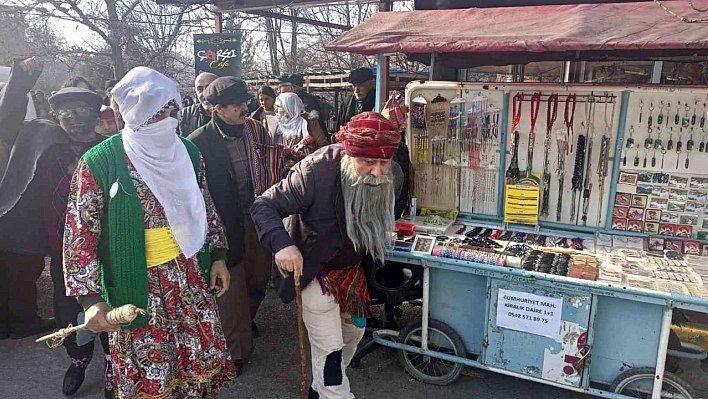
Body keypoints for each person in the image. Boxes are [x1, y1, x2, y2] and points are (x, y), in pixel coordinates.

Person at [63, 66, 235, 399]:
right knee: (153, 376)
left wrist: (217, 256)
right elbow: (79, 234)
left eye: (174, 112)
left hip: (190, 280)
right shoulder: (101, 162)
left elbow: (204, 207)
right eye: (159, 114)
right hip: (138, 287)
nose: (169, 121)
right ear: (135, 114)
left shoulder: (187, 152)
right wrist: (91, 300)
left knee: (197, 365)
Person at [251, 112, 403, 399]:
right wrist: (283, 246)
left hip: (351, 268)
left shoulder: (392, 174)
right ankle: (334, 392)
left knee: (353, 335)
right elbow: (263, 206)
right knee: (329, 347)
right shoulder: (315, 171)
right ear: (348, 153)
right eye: (368, 162)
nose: (378, 172)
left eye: (383, 162)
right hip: (313, 267)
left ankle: (321, 388)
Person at [188, 76, 283, 376]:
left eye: (245, 102)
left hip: (257, 216)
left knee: (257, 280)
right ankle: (235, 353)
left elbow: (273, 159)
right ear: (217, 109)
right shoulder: (197, 142)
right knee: (229, 291)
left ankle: (246, 322)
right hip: (222, 223)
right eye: (237, 105)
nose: (245, 108)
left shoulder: (256, 128)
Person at [0, 57, 58, 343]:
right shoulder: (7, 128)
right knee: (20, 269)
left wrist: (22, 79)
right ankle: (21, 321)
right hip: (10, 216)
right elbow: (8, 111)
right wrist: (21, 78)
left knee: (19, 269)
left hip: (12, 215)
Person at [272, 92, 329, 171]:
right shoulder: (275, 125)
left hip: (305, 171)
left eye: (278, 106)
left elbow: (323, 148)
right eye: (275, 106)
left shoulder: (309, 123)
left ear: (289, 107)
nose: (275, 110)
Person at [179, 72, 218, 136]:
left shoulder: (233, 114)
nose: (204, 94)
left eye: (209, 88)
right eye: (200, 89)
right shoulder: (183, 115)